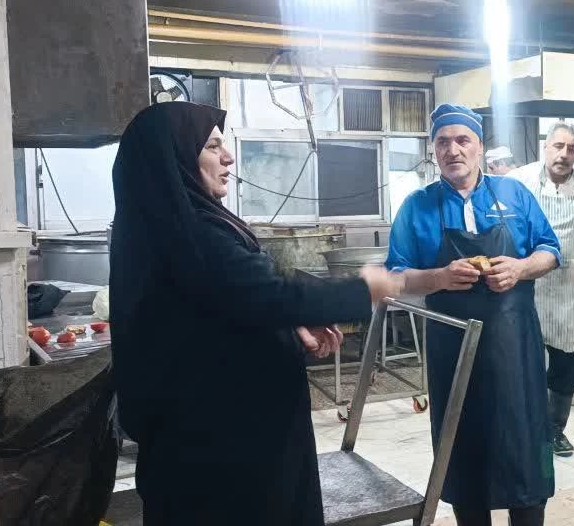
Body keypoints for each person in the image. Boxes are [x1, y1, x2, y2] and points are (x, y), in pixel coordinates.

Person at [109, 102, 403, 525]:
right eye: (212, 146)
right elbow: (271, 296)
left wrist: (284, 326)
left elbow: (229, 308)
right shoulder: (193, 235)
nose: (228, 157)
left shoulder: (163, 229)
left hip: (218, 442)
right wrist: (367, 288)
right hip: (224, 459)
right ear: (175, 157)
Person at [386, 103, 562, 526]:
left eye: (463, 140)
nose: (453, 150)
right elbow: (395, 277)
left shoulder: (514, 194)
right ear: (433, 150)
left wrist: (520, 268)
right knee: (462, 450)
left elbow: (550, 251)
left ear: (479, 146)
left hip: (515, 351)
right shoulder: (416, 206)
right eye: (442, 142)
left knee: (523, 448)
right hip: (453, 354)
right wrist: (439, 277)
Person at [508, 121, 574, 458]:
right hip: (529, 287)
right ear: (545, 146)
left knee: (569, 365)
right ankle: (527, 430)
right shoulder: (520, 181)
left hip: (569, 290)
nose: (564, 154)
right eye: (558, 146)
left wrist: (572, 254)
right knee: (525, 362)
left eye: (572, 148)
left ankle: (555, 430)